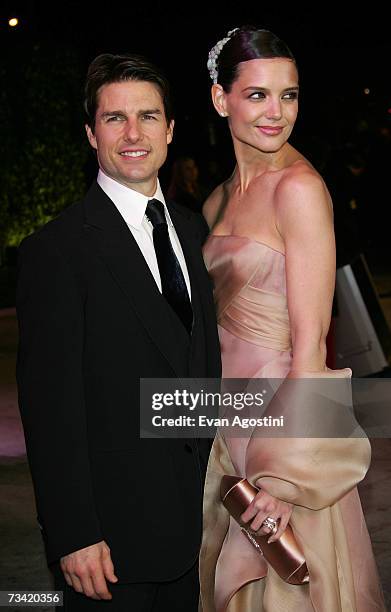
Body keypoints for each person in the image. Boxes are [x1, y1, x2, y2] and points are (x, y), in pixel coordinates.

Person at [16, 53, 221, 611]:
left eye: (148, 116)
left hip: (195, 531)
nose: (133, 134)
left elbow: (197, 368)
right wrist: (73, 532)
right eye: (114, 119)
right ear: (91, 133)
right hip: (108, 548)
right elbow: (50, 407)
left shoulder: (193, 229)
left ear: (171, 129)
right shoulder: (56, 252)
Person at [199, 26, 385, 611]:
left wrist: (284, 476)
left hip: (286, 440)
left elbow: (313, 345)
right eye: (257, 95)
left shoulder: (299, 189)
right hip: (226, 429)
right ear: (219, 98)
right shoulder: (216, 200)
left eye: (289, 95)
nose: (277, 112)